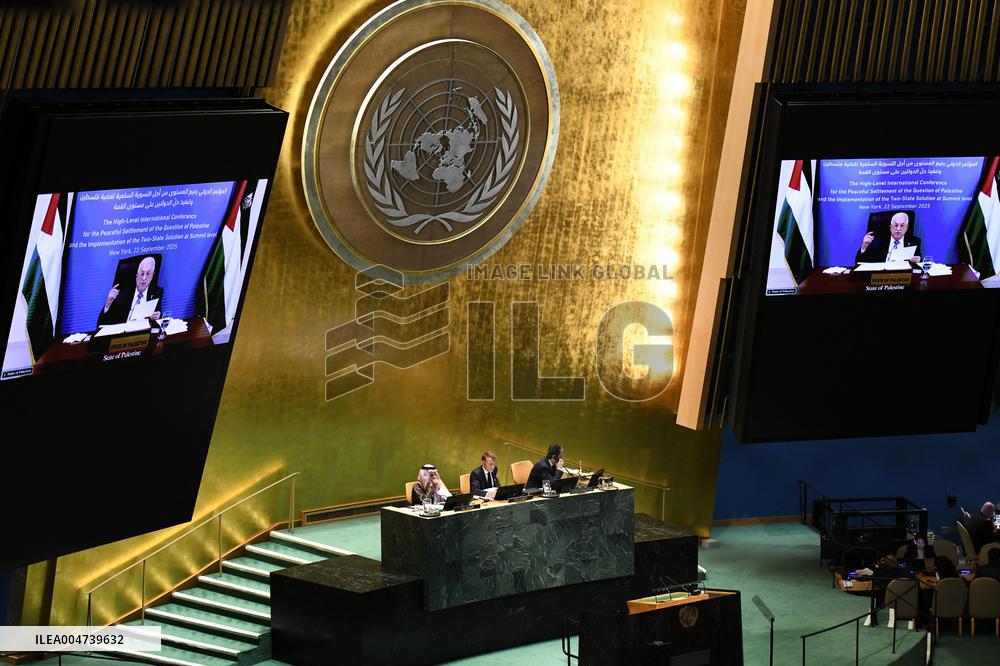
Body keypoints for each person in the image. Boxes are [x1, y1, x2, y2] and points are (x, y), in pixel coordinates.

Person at [97, 256, 163, 327]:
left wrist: (158, 316)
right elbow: (101, 323)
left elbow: (157, 319)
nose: (144, 278)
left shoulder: (156, 292)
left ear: (152, 275)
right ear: (136, 275)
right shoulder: (121, 294)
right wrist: (108, 304)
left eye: (148, 274)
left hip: (144, 331)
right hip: (123, 332)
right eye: (142, 274)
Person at [855, 212, 922, 265]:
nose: (898, 229)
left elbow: (919, 263)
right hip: (881, 275)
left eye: (902, 225)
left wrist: (919, 260)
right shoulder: (877, 241)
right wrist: (864, 247)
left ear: (907, 227)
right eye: (896, 225)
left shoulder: (914, 242)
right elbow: (859, 262)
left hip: (903, 276)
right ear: (890, 227)